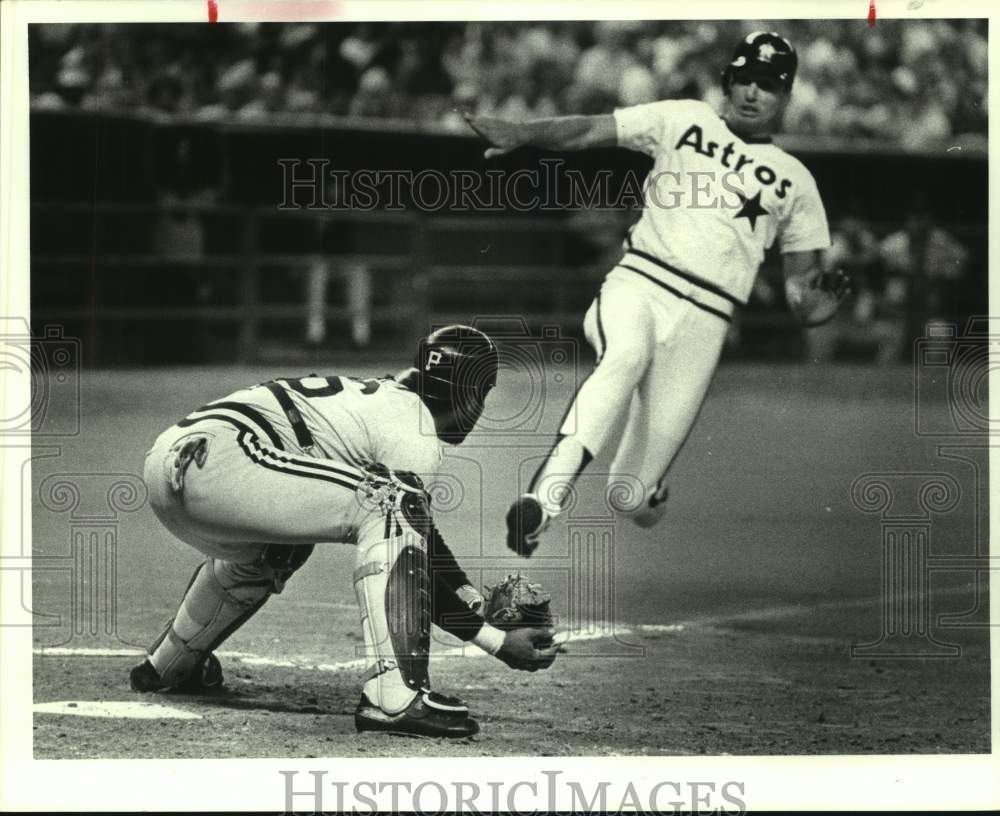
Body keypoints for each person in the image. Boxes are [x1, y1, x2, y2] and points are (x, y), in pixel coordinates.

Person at [466, 32, 851, 555]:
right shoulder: (684, 118)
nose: (752, 94)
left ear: (785, 97)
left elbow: (802, 292)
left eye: (767, 85)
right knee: (624, 356)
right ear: (726, 82)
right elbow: (589, 131)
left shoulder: (796, 181)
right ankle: (542, 502)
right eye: (743, 80)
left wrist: (817, 308)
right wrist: (523, 132)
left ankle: (650, 493)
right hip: (642, 282)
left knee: (629, 496)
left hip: (706, 323)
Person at [130, 325, 559, 738]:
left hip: (175, 463)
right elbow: (408, 526)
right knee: (390, 501)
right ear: (471, 393)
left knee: (285, 548)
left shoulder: (387, 402)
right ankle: (394, 698)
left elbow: (418, 533)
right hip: (226, 461)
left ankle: (171, 664)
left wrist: (473, 600)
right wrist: (496, 641)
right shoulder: (414, 425)